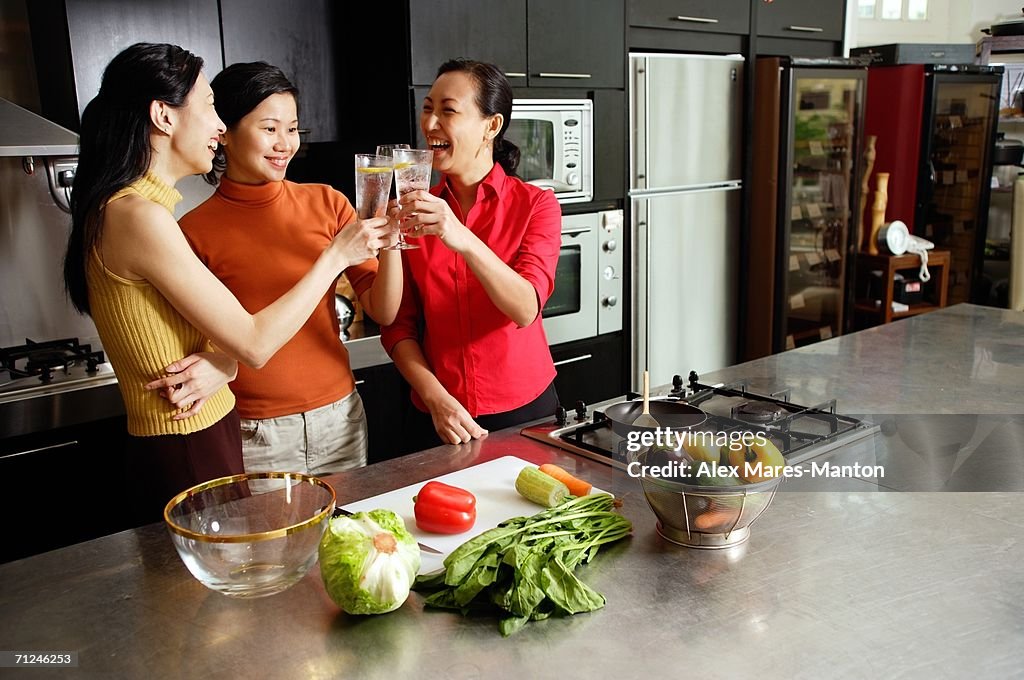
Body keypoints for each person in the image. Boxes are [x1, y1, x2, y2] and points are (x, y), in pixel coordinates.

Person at [63, 43, 392, 516]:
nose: (218, 126)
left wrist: (226, 363)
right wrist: (336, 255)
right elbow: (253, 342)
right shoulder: (139, 216)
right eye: (209, 107)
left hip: (201, 431)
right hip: (188, 438)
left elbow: (206, 337)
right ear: (164, 116)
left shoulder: (136, 209)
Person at [176, 61, 402, 474]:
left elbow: (383, 311)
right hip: (254, 432)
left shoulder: (327, 202)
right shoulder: (192, 232)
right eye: (269, 128)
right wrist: (335, 254)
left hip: (339, 417)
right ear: (224, 132)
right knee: (270, 542)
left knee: (348, 536)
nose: (285, 143)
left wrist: (393, 238)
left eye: (292, 128)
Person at [381, 58, 562, 447]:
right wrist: (436, 399)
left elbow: (526, 307)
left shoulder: (537, 205)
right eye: (428, 108)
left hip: (526, 411)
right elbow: (397, 326)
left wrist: (459, 235)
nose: (430, 124)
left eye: (448, 111)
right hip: (437, 415)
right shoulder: (411, 210)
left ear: (491, 126)